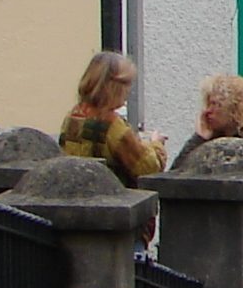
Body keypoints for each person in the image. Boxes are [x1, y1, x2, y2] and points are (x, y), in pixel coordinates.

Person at [59, 50, 166, 188]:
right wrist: (156, 144)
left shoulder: (72, 115)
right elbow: (148, 167)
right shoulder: (113, 125)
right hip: (111, 198)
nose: (129, 91)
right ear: (115, 87)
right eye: (127, 85)